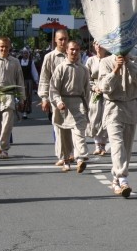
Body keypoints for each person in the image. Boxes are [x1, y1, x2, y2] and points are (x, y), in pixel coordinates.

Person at [98, 48, 137, 197]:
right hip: (113, 107)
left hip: (130, 106)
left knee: (126, 147)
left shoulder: (136, 60)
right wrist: (116, 69)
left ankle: (115, 179)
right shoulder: (105, 62)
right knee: (117, 145)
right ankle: (123, 178)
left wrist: (128, 63)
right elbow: (104, 87)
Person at [49, 41, 91, 173]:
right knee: (64, 135)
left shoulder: (84, 69)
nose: (74, 52)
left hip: (78, 103)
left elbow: (87, 90)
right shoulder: (61, 68)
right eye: (72, 49)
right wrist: (58, 102)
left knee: (79, 132)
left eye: (77, 50)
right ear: (66, 50)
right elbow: (54, 88)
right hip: (63, 104)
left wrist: (87, 106)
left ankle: (80, 158)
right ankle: (66, 160)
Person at [0, 36, 25, 159]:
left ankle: (4, 148)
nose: (4, 49)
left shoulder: (15, 61)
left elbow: (20, 80)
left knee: (7, 122)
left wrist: (22, 98)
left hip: (9, 95)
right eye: (2, 46)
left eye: (6, 46)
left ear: (10, 47)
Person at [38, 29, 71, 165]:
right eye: (60, 39)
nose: (63, 42)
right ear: (55, 41)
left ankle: (71, 153)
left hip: (72, 98)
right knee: (58, 127)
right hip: (56, 98)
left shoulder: (73, 54)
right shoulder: (50, 57)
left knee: (71, 129)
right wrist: (44, 98)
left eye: (65, 39)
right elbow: (44, 79)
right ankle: (62, 156)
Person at [86, 41, 110, 156]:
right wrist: (94, 87)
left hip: (107, 93)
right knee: (94, 116)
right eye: (96, 44)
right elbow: (87, 78)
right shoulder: (90, 61)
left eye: (101, 44)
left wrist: (106, 87)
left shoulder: (110, 60)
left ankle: (103, 145)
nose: (99, 46)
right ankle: (97, 144)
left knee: (106, 117)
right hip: (95, 93)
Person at [18, 47, 39, 119]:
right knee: (21, 96)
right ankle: (21, 109)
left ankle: (25, 111)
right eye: (24, 53)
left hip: (28, 81)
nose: (25, 55)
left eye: (27, 53)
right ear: (22, 54)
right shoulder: (19, 62)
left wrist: (36, 81)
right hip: (20, 81)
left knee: (27, 96)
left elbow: (34, 72)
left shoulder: (31, 62)